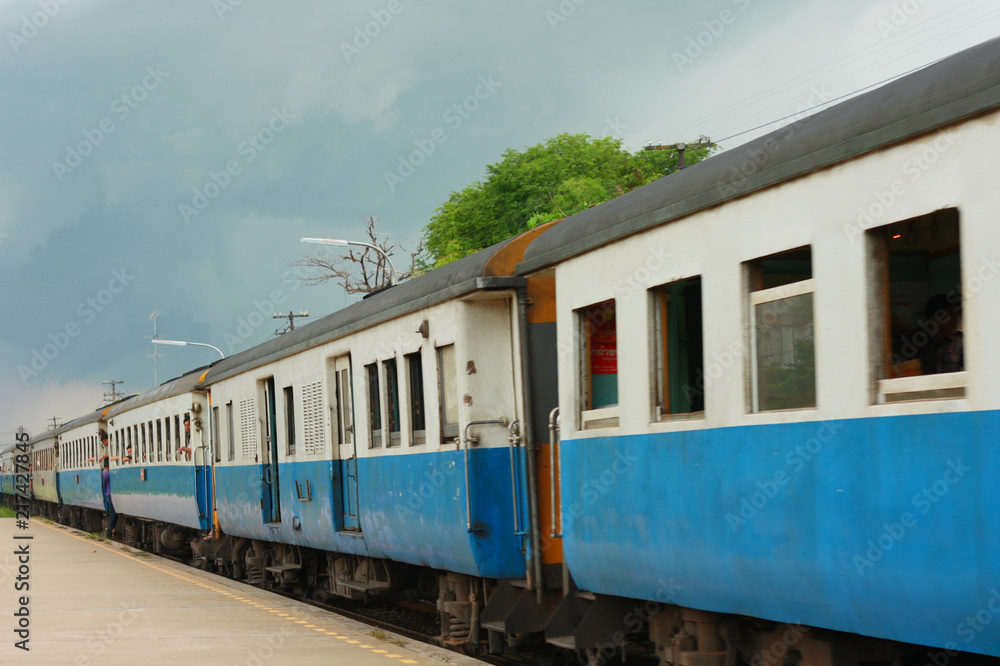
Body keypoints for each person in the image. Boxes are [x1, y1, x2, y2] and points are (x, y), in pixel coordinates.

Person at [101, 458, 118, 536]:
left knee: (112, 511)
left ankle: (111, 528)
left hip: (108, 493)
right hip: (111, 493)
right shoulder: (109, 473)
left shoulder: (104, 473)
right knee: (113, 511)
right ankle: (112, 528)